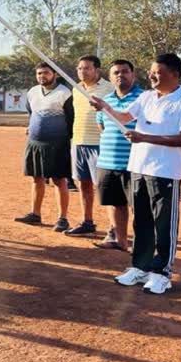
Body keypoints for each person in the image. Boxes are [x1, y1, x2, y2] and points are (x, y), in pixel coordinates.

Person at [92, 53, 181, 295]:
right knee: (141, 221)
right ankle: (140, 267)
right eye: (151, 71)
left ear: (174, 74)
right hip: (138, 168)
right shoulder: (147, 97)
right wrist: (106, 107)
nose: (151, 75)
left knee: (164, 223)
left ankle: (162, 272)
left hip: (166, 171)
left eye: (157, 72)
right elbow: (125, 117)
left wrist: (145, 137)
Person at [14, 62, 73, 232]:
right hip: (34, 142)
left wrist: (65, 139)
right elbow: (31, 113)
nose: (42, 76)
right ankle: (35, 214)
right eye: (39, 73)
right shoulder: (32, 92)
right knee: (36, 178)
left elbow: (71, 118)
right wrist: (30, 127)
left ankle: (63, 219)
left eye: (46, 73)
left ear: (55, 74)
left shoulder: (64, 92)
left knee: (59, 180)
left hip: (57, 144)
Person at [93, 59, 143, 251]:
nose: (120, 75)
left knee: (138, 207)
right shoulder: (107, 100)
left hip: (134, 163)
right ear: (110, 77)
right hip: (107, 162)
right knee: (115, 204)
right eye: (116, 72)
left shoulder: (144, 98)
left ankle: (140, 245)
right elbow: (102, 126)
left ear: (133, 75)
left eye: (125, 72)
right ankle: (120, 240)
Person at [65, 55, 114, 237]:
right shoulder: (76, 88)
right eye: (79, 68)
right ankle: (87, 221)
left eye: (86, 68)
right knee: (83, 184)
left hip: (100, 144)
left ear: (97, 70)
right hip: (78, 143)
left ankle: (114, 227)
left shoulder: (109, 88)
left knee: (104, 188)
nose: (82, 71)